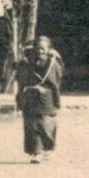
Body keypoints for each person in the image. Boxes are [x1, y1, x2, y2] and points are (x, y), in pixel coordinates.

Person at [16, 36, 63, 164]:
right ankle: (35, 152)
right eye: (38, 48)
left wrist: (56, 100)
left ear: (48, 49)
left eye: (43, 49)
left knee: (46, 124)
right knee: (31, 125)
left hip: (46, 99)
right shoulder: (25, 62)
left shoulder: (53, 63)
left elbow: (56, 83)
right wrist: (20, 100)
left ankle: (47, 149)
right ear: (34, 48)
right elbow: (21, 82)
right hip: (30, 97)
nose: (40, 52)